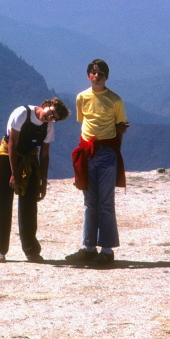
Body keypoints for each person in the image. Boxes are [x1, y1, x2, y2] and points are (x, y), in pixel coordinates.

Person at [0, 98, 70, 263]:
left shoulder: (48, 127)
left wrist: (43, 181)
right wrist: (14, 174)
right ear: (45, 105)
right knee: (3, 202)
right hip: (8, 157)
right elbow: (12, 143)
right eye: (51, 112)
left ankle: (31, 251)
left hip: (30, 159)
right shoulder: (22, 113)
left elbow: (45, 154)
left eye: (55, 117)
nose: (51, 117)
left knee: (29, 205)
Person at [67, 59, 129, 264]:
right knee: (90, 203)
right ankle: (89, 247)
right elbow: (84, 123)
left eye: (101, 72)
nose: (97, 75)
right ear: (88, 76)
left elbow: (121, 127)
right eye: (93, 72)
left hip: (105, 153)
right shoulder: (81, 97)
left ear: (107, 77)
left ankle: (107, 251)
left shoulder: (115, 100)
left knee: (105, 202)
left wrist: (112, 151)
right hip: (87, 152)